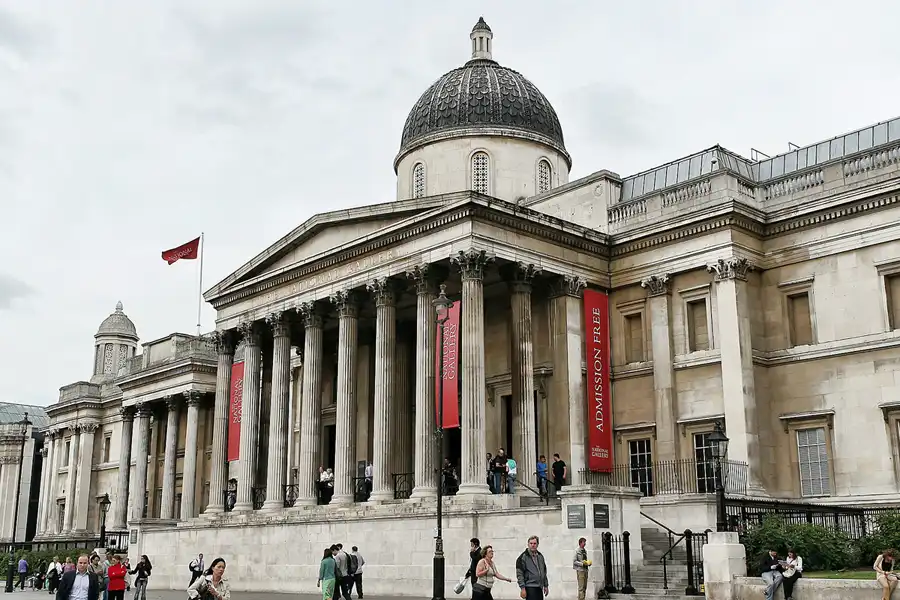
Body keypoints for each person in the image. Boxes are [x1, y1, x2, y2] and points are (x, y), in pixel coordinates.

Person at [515, 535, 549, 600]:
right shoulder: (523, 557)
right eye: (531, 543)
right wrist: (522, 588)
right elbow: (520, 574)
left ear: (537, 545)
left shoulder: (540, 556)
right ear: (528, 544)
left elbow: (544, 572)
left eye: (534, 543)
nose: (533, 545)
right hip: (530, 587)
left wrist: (546, 585)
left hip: (539, 587)